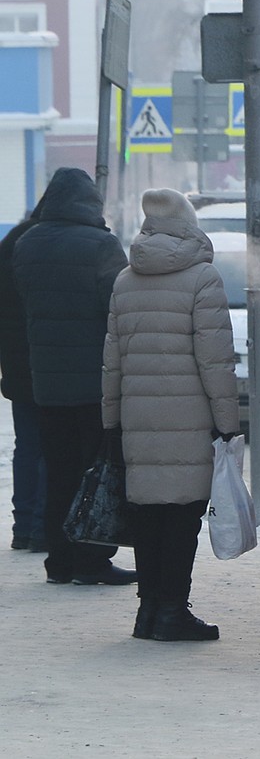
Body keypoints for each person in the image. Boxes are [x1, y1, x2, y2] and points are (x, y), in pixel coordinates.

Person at [102, 188, 239, 641]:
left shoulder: (124, 280)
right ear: (189, 225)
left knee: (146, 516)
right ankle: (172, 613)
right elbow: (215, 362)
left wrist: (111, 423)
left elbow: (113, 363)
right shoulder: (203, 278)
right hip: (190, 423)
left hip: (137, 423)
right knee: (182, 518)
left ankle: (147, 614)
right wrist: (228, 424)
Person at [11, 167, 135, 586]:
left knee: (59, 472)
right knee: (97, 473)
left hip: (46, 384)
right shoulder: (101, 245)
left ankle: (59, 562)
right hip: (94, 385)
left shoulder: (27, 244)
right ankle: (93, 560)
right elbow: (119, 307)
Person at [0, 203, 49, 552]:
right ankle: (41, 528)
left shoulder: (12, 242)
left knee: (27, 445)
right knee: (55, 447)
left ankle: (23, 526)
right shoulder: (54, 243)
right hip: (56, 364)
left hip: (17, 364)